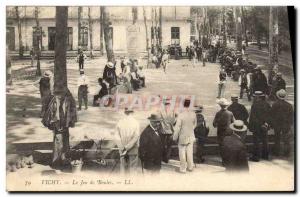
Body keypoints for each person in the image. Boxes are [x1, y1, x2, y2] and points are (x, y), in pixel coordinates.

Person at [42, 89, 77, 170]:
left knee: (64, 140)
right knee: (58, 140)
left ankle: (64, 160)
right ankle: (57, 162)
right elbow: (51, 112)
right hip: (58, 122)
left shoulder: (68, 98)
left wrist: (71, 121)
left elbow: (72, 110)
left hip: (65, 122)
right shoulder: (54, 100)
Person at [173, 99, 197, 173]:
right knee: (190, 152)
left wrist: (175, 137)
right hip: (191, 135)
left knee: (182, 152)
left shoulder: (181, 115)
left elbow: (177, 128)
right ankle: (190, 166)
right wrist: (190, 129)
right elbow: (194, 124)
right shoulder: (193, 114)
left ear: (183, 105)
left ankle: (183, 168)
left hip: (182, 136)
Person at [115, 108, 140, 174]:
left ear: (125, 112)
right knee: (133, 170)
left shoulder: (120, 122)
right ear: (132, 112)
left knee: (123, 168)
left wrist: (122, 147)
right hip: (133, 149)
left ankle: (123, 183)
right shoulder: (136, 122)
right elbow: (136, 137)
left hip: (122, 150)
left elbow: (116, 136)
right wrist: (127, 147)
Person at [248, 91, 271, 161]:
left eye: (255, 97)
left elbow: (252, 117)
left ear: (258, 97)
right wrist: (267, 123)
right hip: (264, 125)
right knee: (265, 140)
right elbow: (270, 115)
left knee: (256, 141)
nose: (254, 98)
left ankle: (256, 156)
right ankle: (265, 155)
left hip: (256, 126)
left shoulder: (254, 105)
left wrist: (250, 126)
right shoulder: (267, 104)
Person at [270, 89, 294, 157]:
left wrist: (272, 124)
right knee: (286, 140)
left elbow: (271, 115)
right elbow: (291, 116)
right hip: (286, 124)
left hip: (277, 124)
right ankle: (286, 153)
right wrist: (290, 124)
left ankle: (276, 152)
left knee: (277, 138)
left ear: (278, 96)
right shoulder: (289, 105)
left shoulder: (275, 104)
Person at [159, 98, 177, 163]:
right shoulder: (172, 111)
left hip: (163, 130)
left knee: (162, 144)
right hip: (170, 130)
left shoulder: (161, 111)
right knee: (169, 146)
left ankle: (162, 157)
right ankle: (167, 158)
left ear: (164, 104)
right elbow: (174, 121)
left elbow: (159, 120)